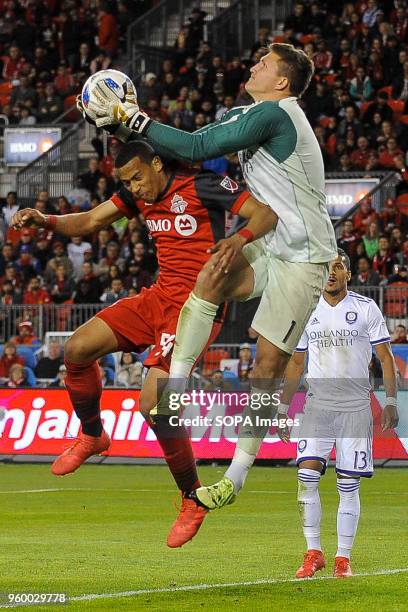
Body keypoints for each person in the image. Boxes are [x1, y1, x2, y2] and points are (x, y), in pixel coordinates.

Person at [87, 43, 337, 508]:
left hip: (305, 255)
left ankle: (237, 476)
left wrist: (136, 117)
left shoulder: (278, 114)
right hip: (270, 241)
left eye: (263, 64)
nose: (253, 65)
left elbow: (198, 148)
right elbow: (192, 142)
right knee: (210, 275)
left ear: (282, 82)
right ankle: (174, 387)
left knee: (267, 368)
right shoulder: (249, 113)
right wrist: (126, 126)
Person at [12, 139, 277, 548]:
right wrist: (44, 220)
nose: (133, 187)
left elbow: (264, 213)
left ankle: (192, 498)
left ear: (157, 163)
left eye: (137, 177)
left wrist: (238, 240)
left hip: (194, 308)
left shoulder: (203, 184)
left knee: (155, 405)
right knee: (76, 349)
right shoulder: (137, 197)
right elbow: (88, 222)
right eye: (126, 181)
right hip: (157, 297)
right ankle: (93, 435)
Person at [276, 250, 398, 578]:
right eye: (326, 268)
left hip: (356, 407)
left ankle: (343, 557)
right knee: (306, 476)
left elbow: (385, 358)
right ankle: (313, 552)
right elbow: (297, 362)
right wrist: (284, 408)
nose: (331, 273)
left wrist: (391, 401)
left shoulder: (365, 308)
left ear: (347, 273)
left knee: (348, 484)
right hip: (317, 405)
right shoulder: (307, 309)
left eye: (338, 267)